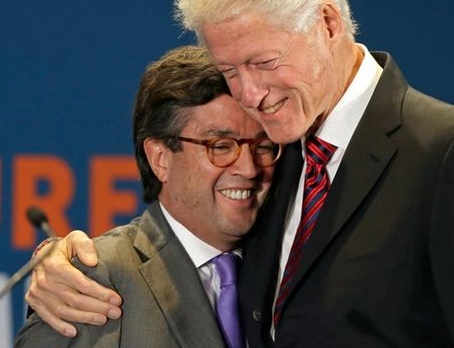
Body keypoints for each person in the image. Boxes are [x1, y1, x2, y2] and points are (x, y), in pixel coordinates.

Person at [26, 0, 454, 347]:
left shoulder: (449, 154)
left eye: (263, 62)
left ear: (328, 23)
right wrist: (60, 263)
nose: (250, 94)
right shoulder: (282, 156)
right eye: (230, 70)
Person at [15, 45, 281, 347]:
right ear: (160, 159)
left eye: (263, 146)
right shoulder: (94, 281)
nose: (249, 168)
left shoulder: (291, 264)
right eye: (220, 146)